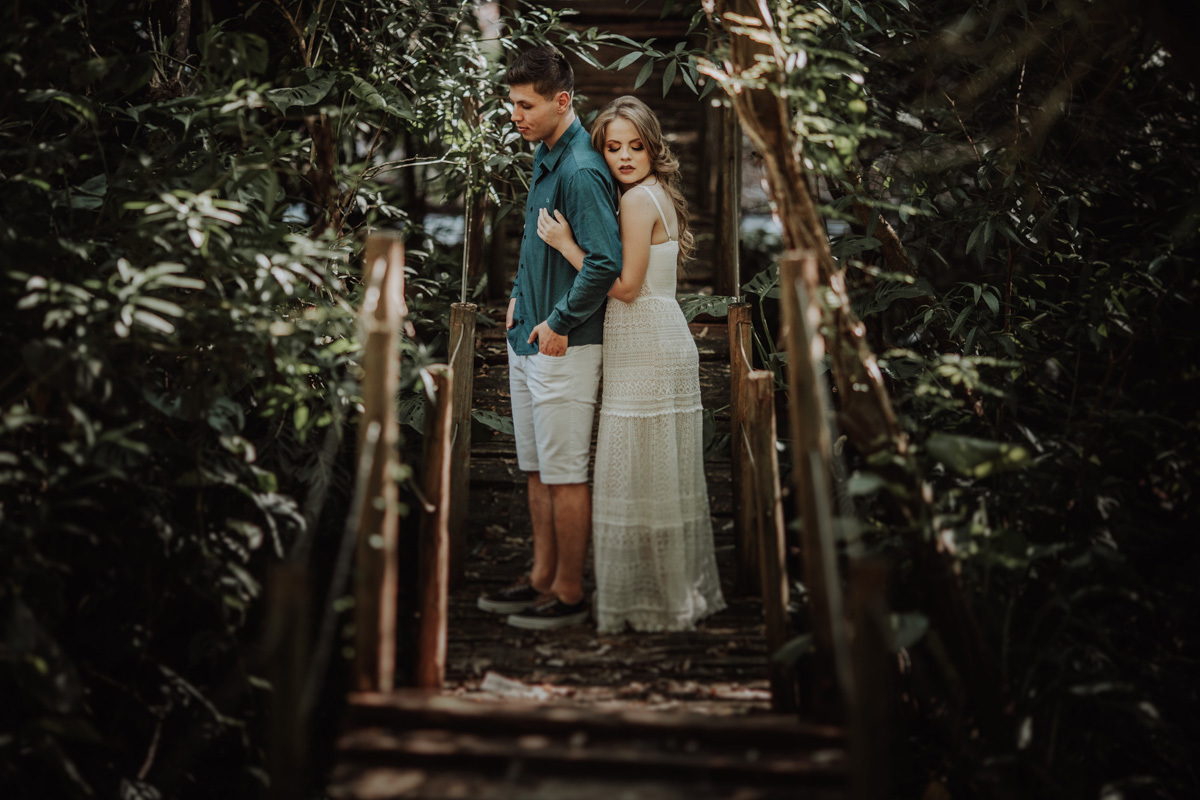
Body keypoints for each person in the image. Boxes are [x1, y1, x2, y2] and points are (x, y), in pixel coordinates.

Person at [536, 95, 726, 633]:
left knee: (643, 475)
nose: (623, 156)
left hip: (647, 340)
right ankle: (662, 595)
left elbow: (624, 287)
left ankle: (654, 604)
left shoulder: (640, 200)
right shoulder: (651, 193)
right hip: (650, 338)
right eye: (612, 147)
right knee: (651, 478)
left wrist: (568, 244)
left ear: (652, 147)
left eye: (634, 146)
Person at [475, 46, 623, 630]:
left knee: (564, 474)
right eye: (512, 103)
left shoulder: (583, 169)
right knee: (536, 469)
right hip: (528, 338)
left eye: (525, 105)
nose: (515, 114)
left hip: (566, 344)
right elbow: (537, 241)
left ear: (562, 101)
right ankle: (540, 578)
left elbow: (605, 262)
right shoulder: (545, 154)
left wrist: (559, 321)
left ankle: (568, 593)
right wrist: (517, 293)